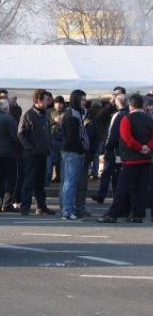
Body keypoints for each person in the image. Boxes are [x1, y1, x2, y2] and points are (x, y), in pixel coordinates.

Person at [98, 94, 153, 223]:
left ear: (131, 105)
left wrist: (139, 147)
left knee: (122, 187)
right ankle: (138, 214)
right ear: (142, 105)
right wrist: (147, 148)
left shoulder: (127, 118)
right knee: (141, 188)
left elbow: (126, 137)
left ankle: (113, 214)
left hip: (130, 159)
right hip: (146, 159)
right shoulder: (149, 119)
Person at [17, 89, 55, 216]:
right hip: (31, 154)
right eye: (45, 99)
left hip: (42, 152)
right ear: (38, 100)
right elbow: (21, 133)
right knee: (29, 181)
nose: (48, 102)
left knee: (40, 182)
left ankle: (41, 206)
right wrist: (30, 147)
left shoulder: (45, 114)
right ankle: (25, 207)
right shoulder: (28, 115)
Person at [92, 93, 129, 204]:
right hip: (123, 149)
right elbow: (101, 116)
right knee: (111, 173)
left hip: (115, 149)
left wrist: (108, 146)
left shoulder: (118, 115)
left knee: (112, 173)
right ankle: (107, 197)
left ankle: (115, 199)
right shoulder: (127, 113)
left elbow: (113, 133)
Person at [60, 90, 89, 220]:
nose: (84, 102)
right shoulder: (72, 115)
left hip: (73, 152)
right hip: (72, 153)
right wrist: (81, 149)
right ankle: (67, 210)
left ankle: (69, 209)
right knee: (70, 182)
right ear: (76, 100)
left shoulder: (76, 113)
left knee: (71, 182)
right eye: (82, 100)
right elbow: (72, 138)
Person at [48, 96, 66, 184]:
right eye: (57, 103)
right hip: (51, 139)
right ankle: (48, 179)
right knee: (51, 160)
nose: (58, 105)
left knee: (60, 160)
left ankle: (58, 177)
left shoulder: (66, 112)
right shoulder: (49, 112)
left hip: (62, 139)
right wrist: (54, 120)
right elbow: (46, 122)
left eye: (60, 103)